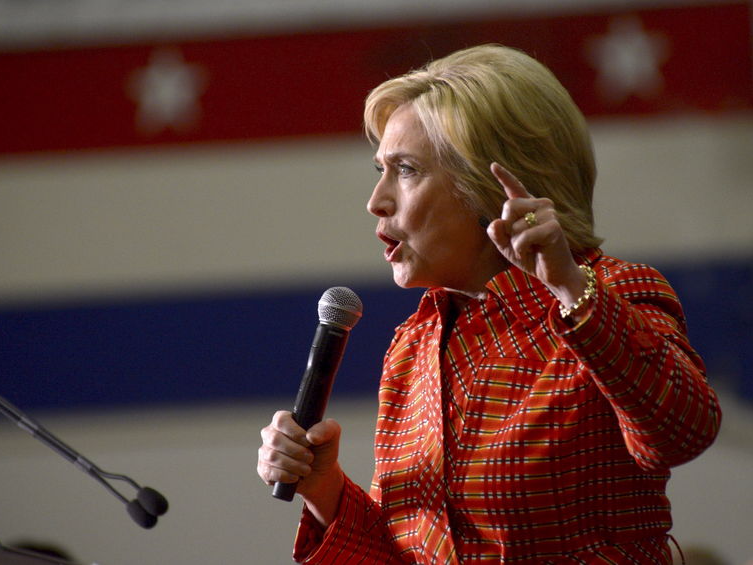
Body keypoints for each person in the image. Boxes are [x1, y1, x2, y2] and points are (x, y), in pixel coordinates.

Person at [257, 44, 721, 564]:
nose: (376, 200)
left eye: (406, 170)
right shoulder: (412, 347)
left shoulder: (611, 292)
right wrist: (325, 490)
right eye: (379, 169)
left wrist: (568, 285)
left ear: (489, 188)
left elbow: (684, 433)